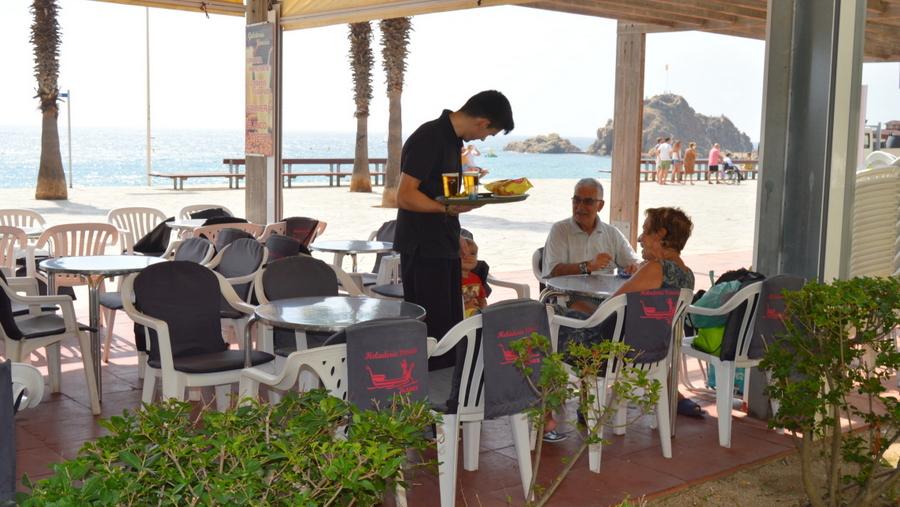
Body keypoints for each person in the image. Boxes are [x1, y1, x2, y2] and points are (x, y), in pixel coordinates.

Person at [545, 207, 703, 436]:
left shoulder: (655, 268)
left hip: (610, 352)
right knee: (570, 310)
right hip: (648, 352)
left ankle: (547, 414)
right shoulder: (686, 274)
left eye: (645, 231)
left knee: (546, 314)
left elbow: (610, 307)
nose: (639, 238)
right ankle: (583, 406)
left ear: (660, 234)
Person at [394, 90, 514, 373]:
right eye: (489, 133)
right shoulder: (430, 138)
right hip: (423, 249)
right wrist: (448, 212)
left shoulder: (451, 141)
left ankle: (449, 402)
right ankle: (431, 407)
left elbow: (437, 195)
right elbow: (405, 196)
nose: (484, 140)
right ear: (483, 123)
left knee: (450, 329)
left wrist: (455, 233)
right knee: (432, 336)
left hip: (443, 244)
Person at [542, 178, 641, 313]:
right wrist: (586, 266)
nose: (580, 206)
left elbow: (636, 263)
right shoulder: (560, 230)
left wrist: (634, 267)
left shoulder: (611, 233)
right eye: (576, 200)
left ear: (600, 205)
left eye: (587, 201)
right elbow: (554, 272)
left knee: (639, 311)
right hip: (569, 297)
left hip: (607, 297)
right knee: (603, 316)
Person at [460, 238, 487, 317]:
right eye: (463, 253)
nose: (468, 257)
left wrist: (485, 309)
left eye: (472, 253)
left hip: (475, 312)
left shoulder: (476, 278)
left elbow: (481, 298)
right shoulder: (453, 279)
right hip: (461, 314)